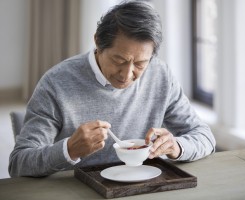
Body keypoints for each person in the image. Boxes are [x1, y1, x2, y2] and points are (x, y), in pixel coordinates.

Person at [9, 1, 216, 177]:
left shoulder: (160, 75)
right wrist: (69, 149)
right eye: (119, 60)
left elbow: (204, 137)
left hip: (143, 186)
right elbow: (19, 164)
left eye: (140, 64)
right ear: (98, 42)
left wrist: (176, 146)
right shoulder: (56, 83)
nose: (127, 75)